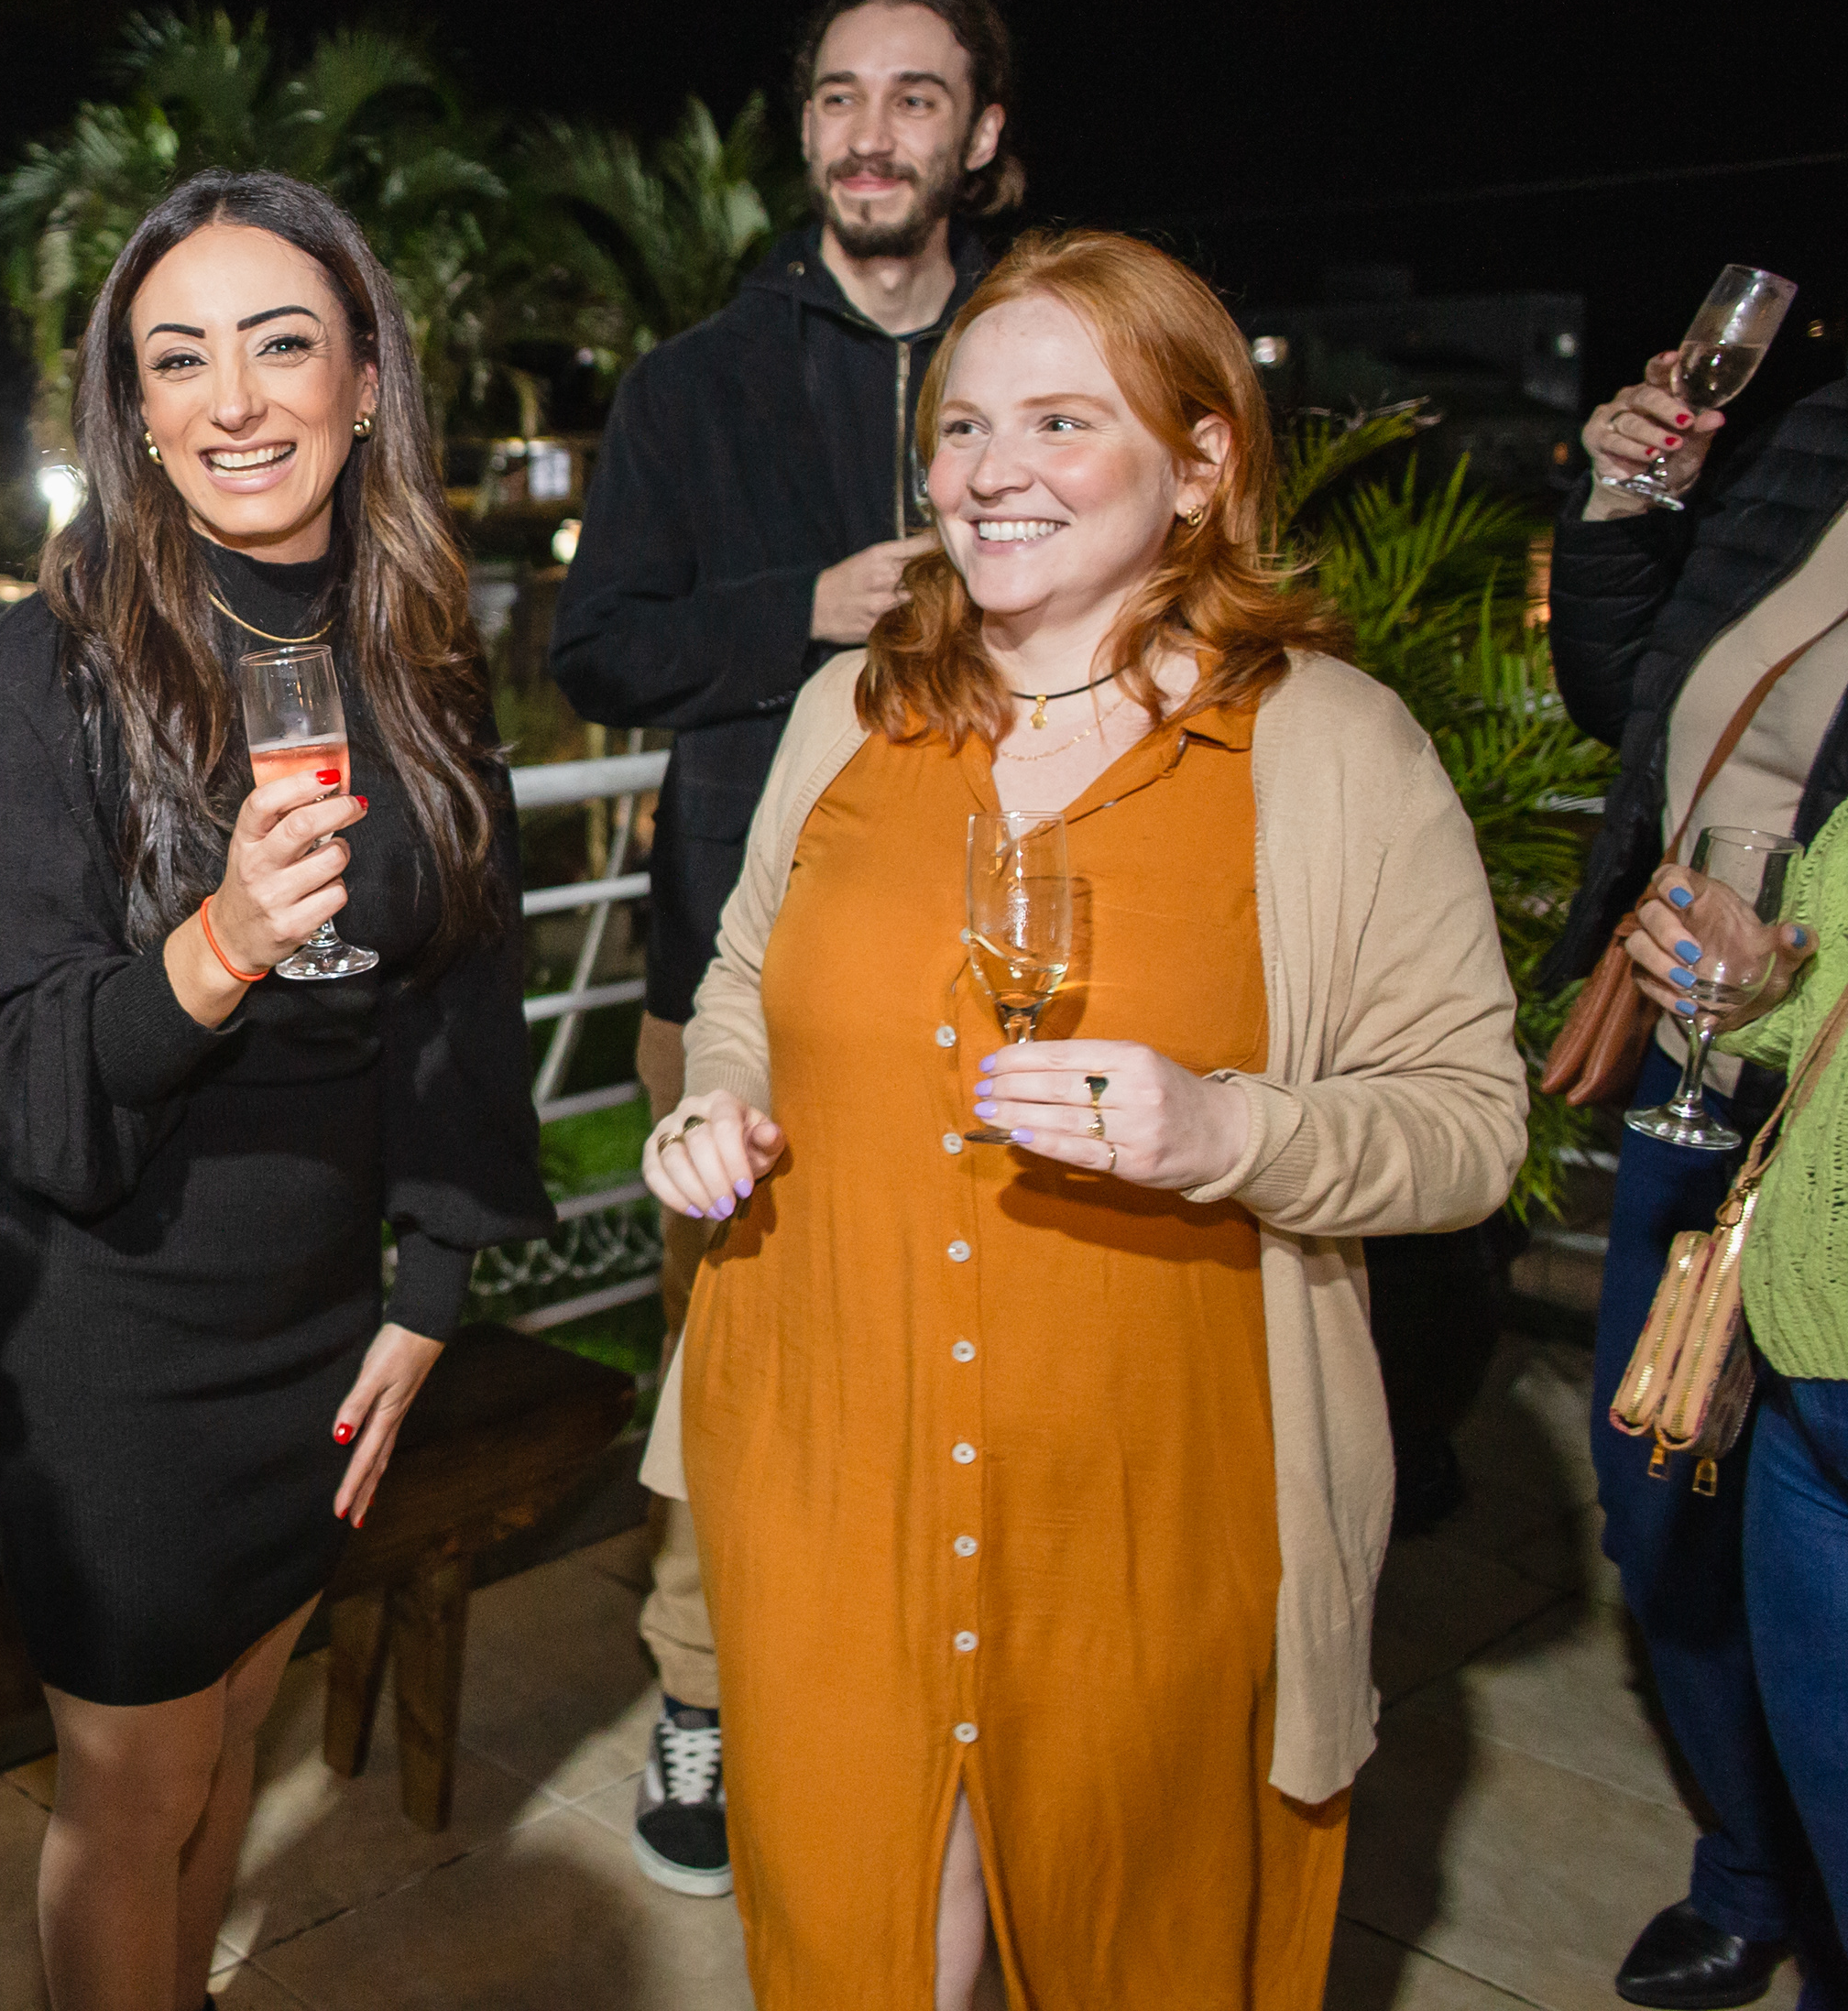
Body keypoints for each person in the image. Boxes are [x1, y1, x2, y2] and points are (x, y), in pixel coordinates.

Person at [641, 228, 1525, 2009]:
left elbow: (1470, 1122)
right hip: (820, 1440)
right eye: (964, 428)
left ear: (1200, 463)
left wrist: (1230, 1133)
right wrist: (722, 1099)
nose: (993, 470)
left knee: (1140, 1937)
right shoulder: (848, 708)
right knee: (854, 1933)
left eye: (1062, 420)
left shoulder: (1334, 750)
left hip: (1157, 1494)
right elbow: (742, 973)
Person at [0, 169, 551, 2011]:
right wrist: (215, 948)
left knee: (237, 1733)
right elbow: (23, 1077)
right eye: (179, 358)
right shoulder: (49, 667)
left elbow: (464, 978)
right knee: (138, 1784)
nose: (235, 401)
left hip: (315, 1320)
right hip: (110, 1329)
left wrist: (430, 1280)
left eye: (282, 345)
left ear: (365, 376)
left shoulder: (417, 648)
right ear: (132, 410)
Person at [548, 0, 1016, 1895]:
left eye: (915, 96)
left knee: (973, 1367)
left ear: (981, 134)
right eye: (839, 96)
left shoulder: (1046, 357)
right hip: (731, 983)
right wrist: (799, 614)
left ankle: (934, 1699)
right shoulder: (696, 385)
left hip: (1010, 980)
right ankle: (704, 1692)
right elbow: (594, 647)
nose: (870, 131)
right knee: (727, 1371)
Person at [1553, 344, 1848, 2007]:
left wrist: (1797, 967)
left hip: (1827, 1104)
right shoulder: (1819, 438)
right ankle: (1751, 1861)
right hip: (1697, 1069)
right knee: (1661, 1493)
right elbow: (1633, 700)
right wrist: (1625, 499)